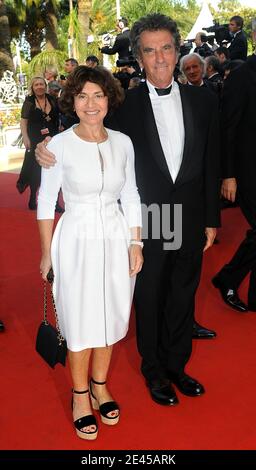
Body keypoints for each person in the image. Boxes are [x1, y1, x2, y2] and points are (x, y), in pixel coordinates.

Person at [36, 14, 220, 406]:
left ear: (177, 50)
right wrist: (44, 148)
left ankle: (176, 366)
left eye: (166, 48)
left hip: (188, 213)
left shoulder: (203, 99)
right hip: (147, 214)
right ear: (138, 58)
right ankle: (154, 371)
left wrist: (210, 219)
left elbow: (211, 160)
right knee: (151, 294)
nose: (159, 59)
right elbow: (84, 122)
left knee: (183, 293)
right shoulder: (125, 104)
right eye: (150, 51)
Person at [37, 65, 143, 440]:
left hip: (116, 236)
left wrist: (136, 242)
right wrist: (47, 253)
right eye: (82, 96)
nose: (91, 103)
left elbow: (130, 195)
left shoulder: (123, 142)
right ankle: (80, 395)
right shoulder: (58, 146)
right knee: (81, 321)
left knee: (112, 316)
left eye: (98, 94)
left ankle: (100, 385)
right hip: (76, 239)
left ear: (109, 98)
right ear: (72, 101)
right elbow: (47, 201)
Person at [212, 28, 256, 313]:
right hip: (248, 170)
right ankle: (228, 276)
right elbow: (227, 127)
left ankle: (232, 280)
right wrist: (228, 174)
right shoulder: (244, 74)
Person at [16, 77, 59, 210]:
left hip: (52, 139)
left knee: (54, 169)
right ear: (32, 87)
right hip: (35, 139)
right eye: (36, 85)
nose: (39, 87)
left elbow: (57, 118)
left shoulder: (51, 99)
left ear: (45, 86)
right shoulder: (29, 102)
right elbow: (23, 121)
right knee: (35, 171)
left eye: (41, 84)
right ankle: (32, 197)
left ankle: (56, 202)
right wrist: (25, 137)